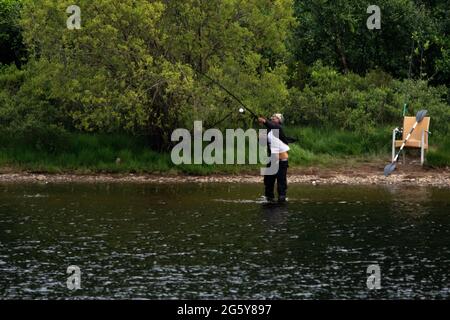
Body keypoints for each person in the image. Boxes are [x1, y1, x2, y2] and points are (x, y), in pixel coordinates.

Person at [258, 113, 291, 203]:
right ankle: (269, 198)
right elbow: (262, 143)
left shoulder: (279, 128)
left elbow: (273, 126)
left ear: (279, 121)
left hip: (282, 159)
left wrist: (264, 121)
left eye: (276, 117)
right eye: (272, 117)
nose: (273, 118)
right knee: (268, 180)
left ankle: (282, 197)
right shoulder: (269, 131)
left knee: (281, 180)